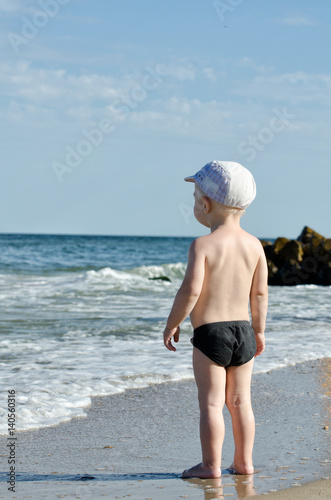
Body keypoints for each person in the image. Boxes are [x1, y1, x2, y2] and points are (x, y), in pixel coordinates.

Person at [163, 160, 268, 479]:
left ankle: (210, 466)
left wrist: (172, 323)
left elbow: (190, 290)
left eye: (195, 197)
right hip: (244, 334)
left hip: (211, 335)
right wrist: (259, 332)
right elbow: (260, 295)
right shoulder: (255, 246)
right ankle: (244, 463)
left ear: (205, 204)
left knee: (211, 404)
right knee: (240, 402)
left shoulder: (202, 245)